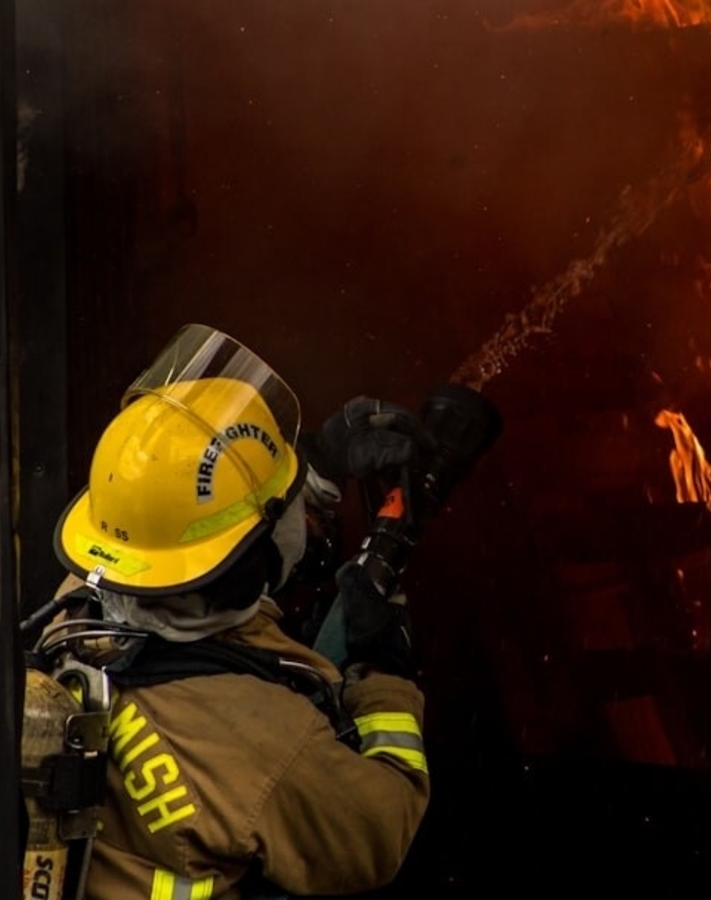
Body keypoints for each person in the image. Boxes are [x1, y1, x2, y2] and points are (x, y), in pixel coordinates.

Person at [39, 323, 430, 899]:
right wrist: (384, 672)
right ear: (247, 567)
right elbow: (382, 831)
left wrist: (313, 464)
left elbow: (186, 537)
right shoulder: (272, 747)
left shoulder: (75, 609)